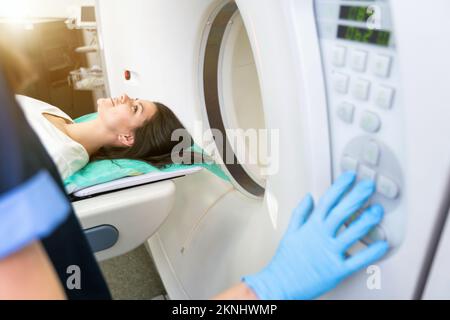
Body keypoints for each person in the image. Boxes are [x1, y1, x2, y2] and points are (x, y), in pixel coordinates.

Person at [0, 43, 388, 299]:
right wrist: (267, 291)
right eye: (135, 108)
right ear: (124, 139)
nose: (127, 95)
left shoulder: (40, 125)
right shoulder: (37, 158)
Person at [16, 93, 191, 181]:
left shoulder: (61, 154)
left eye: (134, 108)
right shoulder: (57, 114)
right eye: (135, 100)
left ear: (127, 137)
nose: (125, 96)